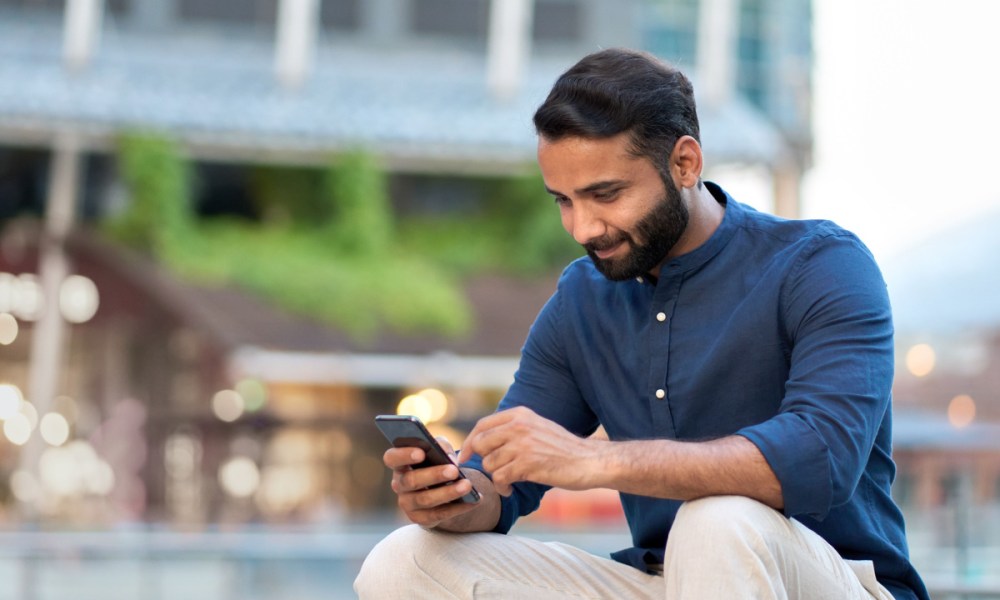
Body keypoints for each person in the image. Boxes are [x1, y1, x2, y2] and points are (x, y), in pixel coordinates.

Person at [354, 48, 929, 600]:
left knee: (718, 520)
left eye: (605, 194)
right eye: (563, 200)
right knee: (405, 563)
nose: (583, 228)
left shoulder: (821, 265)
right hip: (662, 582)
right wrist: (455, 497)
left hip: (836, 584)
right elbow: (502, 483)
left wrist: (593, 461)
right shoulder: (582, 298)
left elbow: (820, 459)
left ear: (685, 162)